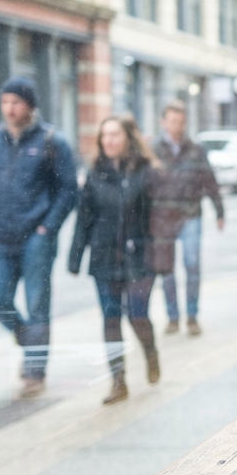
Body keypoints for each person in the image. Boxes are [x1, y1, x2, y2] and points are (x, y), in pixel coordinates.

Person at [0, 76, 78, 398]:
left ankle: (35, 371)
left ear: (30, 105)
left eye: (16, 102)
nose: (9, 108)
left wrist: (48, 228)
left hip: (37, 237)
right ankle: (27, 338)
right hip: (1, 237)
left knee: (37, 305)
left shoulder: (51, 141)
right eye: (5, 102)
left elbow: (68, 189)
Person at [69, 116, 160, 405]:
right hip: (104, 256)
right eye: (104, 136)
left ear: (127, 138)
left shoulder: (146, 172)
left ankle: (150, 352)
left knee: (137, 314)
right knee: (110, 318)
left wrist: (159, 252)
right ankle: (118, 382)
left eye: (114, 135)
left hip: (139, 257)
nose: (108, 140)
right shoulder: (95, 173)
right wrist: (75, 256)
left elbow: (159, 218)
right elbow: (84, 217)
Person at [150, 101, 224, 336]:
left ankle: (192, 316)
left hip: (190, 214)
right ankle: (173, 318)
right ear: (164, 122)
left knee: (192, 265)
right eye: (172, 121)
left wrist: (219, 211)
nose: (177, 126)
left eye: (181, 122)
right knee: (167, 270)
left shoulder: (196, 149)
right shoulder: (153, 150)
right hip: (163, 219)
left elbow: (210, 180)